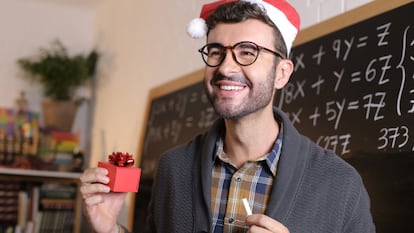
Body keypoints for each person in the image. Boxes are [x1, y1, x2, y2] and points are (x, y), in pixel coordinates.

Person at [80, 0, 376, 232]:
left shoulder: (341, 184)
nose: (225, 67)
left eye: (248, 52)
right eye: (216, 51)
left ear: (282, 73)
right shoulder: (173, 168)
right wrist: (109, 229)